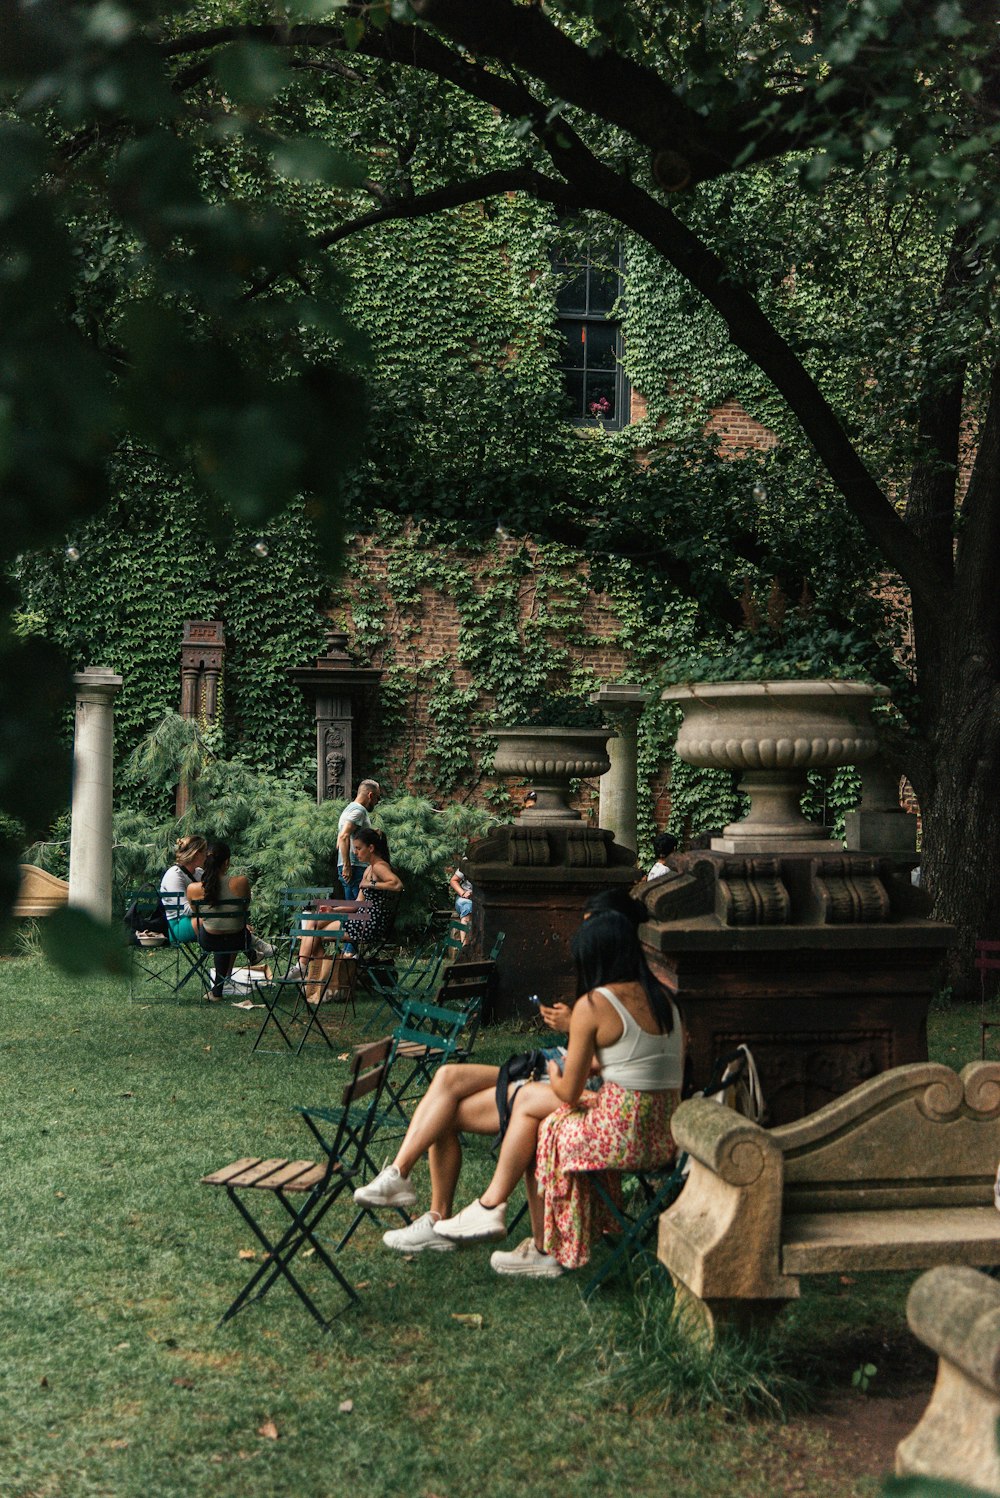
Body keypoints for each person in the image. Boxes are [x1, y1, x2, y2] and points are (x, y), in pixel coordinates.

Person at [435, 910, 683, 1277]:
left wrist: (555, 1072)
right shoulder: (664, 998)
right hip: (664, 1133)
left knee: (542, 1120)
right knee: (533, 1105)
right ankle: (496, 1213)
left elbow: (568, 1093)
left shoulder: (595, 1004)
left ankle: (527, 1236)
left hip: (624, 1135)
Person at [352, 991, 573, 1253]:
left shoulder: (612, 999)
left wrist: (574, 1025)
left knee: (444, 1114)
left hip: (553, 1079)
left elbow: (598, 1063)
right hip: (543, 1064)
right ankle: (399, 1176)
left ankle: (436, 1215)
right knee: (447, 1076)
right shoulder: (605, 993)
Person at [296, 827, 403, 976]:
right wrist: (334, 910)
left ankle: (304, 972)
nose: (354, 852)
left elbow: (397, 885)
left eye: (358, 848)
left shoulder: (379, 867)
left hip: (368, 924)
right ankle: (316, 976)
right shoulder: (369, 869)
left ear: (371, 848)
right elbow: (357, 904)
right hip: (361, 920)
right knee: (313, 926)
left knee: (312, 929)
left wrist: (371, 884)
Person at [184, 839, 258, 1002]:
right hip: (238, 940)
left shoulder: (193, 889)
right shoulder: (241, 882)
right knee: (231, 931)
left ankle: (216, 993)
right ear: (227, 862)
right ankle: (253, 952)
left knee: (218, 932)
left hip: (209, 941)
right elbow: (243, 911)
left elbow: (197, 913)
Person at [337, 779, 381, 899]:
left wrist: (371, 833)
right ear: (370, 795)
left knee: (352, 911)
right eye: (378, 797)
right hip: (354, 867)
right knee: (361, 912)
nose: (377, 802)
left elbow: (341, 840)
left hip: (348, 866)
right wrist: (347, 866)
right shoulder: (359, 811)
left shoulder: (348, 809)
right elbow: (343, 836)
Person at [160, 834, 207, 944]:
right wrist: (212, 908)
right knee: (219, 920)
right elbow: (185, 910)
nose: (206, 856)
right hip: (178, 924)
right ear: (196, 854)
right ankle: (253, 950)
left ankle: (253, 952)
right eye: (204, 852)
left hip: (199, 918)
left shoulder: (200, 873)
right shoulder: (174, 875)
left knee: (226, 920)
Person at [449, 863, 474, 943]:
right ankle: (464, 947)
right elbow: (453, 880)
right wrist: (463, 893)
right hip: (466, 898)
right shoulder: (468, 861)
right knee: (468, 909)